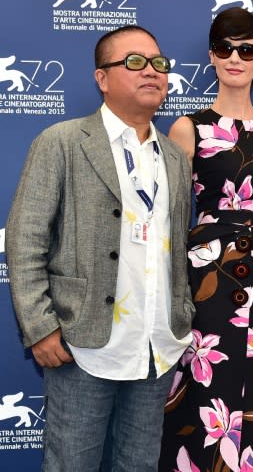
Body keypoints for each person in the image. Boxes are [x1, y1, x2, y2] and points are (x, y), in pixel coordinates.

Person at [5, 25, 194, 471]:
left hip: (155, 347)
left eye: (158, 63)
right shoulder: (63, 142)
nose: (151, 71)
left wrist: (180, 315)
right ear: (102, 78)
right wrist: (39, 326)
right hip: (80, 344)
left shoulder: (173, 157)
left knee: (139, 465)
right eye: (134, 62)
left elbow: (178, 246)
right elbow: (25, 237)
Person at [159, 8, 253, 472]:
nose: (235, 57)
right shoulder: (187, 127)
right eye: (225, 48)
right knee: (204, 397)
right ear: (211, 56)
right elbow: (171, 218)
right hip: (206, 279)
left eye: (247, 50)